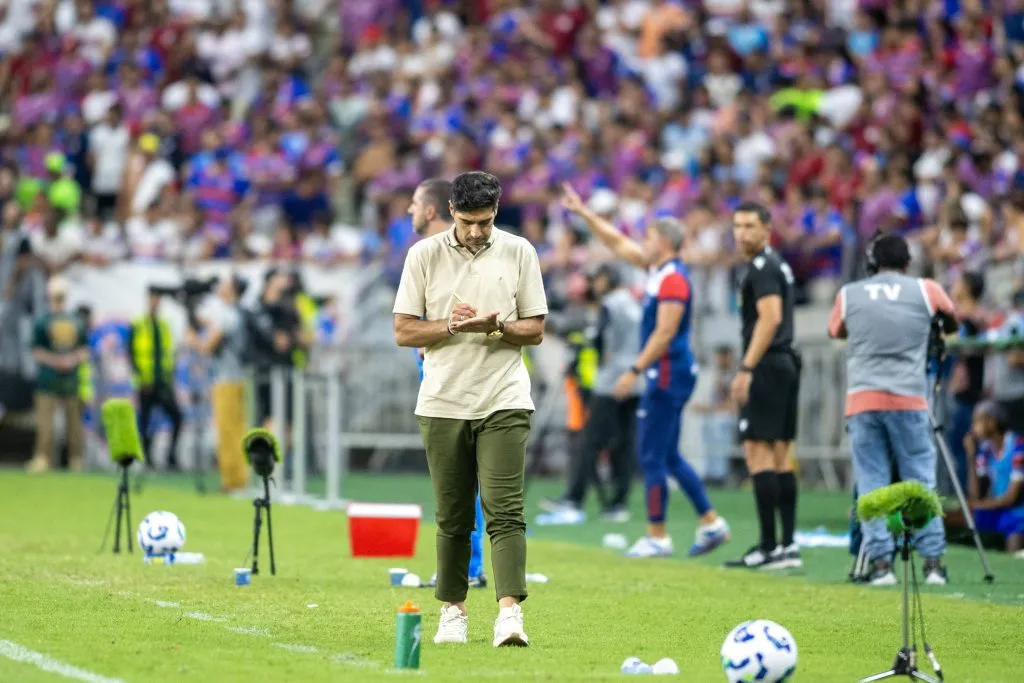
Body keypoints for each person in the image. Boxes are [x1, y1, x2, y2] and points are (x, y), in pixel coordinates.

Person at [393, 171, 547, 647]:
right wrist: (456, 328)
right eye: (468, 221)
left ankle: (509, 616)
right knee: (453, 515)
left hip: (504, 397)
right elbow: (404, 331)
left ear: (496, 210)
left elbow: (536, 328)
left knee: (505, 511)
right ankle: (453, 613)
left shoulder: (520, 251)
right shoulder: (423, 255)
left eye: (485, 221)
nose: (477, 231)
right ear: (451, 212)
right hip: (442, 401)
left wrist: (496, 326)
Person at [560, 183, 730, 558]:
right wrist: (586, 215)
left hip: (668, 372)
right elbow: (619, 244)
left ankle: (658, 535)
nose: (643, 241)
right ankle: (711, 523)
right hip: (667, 371)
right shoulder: (660, 270)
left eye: (649, 236)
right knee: (666, 455)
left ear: (664, 242)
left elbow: (666, 331)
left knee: (651, 455)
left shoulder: (672, 279)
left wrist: (634, 370)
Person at [827, 232, 956, 586]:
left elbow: (835, 330)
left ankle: (881, 565)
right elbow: (952, 319)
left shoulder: (849, 293)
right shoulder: (927, 289)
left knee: (871, 484)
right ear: (907, 262)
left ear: (871, 263)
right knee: (920, 482)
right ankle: (932, 563)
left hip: (864, 398)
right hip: (909, 397)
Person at [410, 177, 488, 589]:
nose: (409, 211)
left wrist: (437, 338)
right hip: (440, 361)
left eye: (414, 204)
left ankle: (468, 567)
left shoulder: (451, 253)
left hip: (454, 368)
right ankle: (467, 565)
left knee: (459, 472)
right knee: (455, 473)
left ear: (429, 211)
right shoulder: (432, 253)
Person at [725, 202, 803, 571]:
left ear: (767, 228)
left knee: (758, 453)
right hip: (784, 362)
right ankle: (787, 545)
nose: (741, 233)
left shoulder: (763, 268)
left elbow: (770, 318)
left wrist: (746, 368)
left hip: (768, 364)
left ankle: (769, 546)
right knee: (780, 456)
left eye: (749, 226)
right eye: (737, 226)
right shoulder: (777, 264)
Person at [541, 262, 642, 521]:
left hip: (610, 382)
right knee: (624, 443)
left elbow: (600, 340)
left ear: (608, 277)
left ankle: (574, 499)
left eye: (596, 279)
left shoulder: (610, 304)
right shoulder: (632, 303)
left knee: (588, 440)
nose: (593, 285)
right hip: (635, 379)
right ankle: (618, 504)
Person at [192, 275, 249, 492]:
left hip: (228, 379)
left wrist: (193, 338)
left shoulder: (227, 315)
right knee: (234, 429)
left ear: (232, 290)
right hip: (236, 378)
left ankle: (232, 479)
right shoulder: (235, 313)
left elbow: (207, 346)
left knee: (228, 431)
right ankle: (237, 478)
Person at [27, 276, 89, 473]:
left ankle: (74, 459)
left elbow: (84, 349)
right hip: (51, 379)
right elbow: (36, 350)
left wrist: (68, 360)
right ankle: (47, 458)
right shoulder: (47, 321)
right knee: (48, 425)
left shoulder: (72, 321)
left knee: (72, 425)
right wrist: (60, 361)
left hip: (65, 380)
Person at [952, 401, 1024, 553]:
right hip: (1001, 510)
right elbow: (976, 494)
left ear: (992, 421)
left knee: (1014, 534)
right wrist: (971, 456)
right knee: (963, 516)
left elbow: (1011, 497)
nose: (973, 428)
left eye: (977, 420)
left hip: (1018, 512)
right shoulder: (986, 450)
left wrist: (977, 505)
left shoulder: (1018, 446)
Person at [130, 286, 183, 470]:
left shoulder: (164, 325)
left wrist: (170, 377)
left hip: (163, 383)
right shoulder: (138, 324)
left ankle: (171, 456)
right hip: (146, 383)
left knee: (177, 418)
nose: (154, 302)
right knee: (145, 421)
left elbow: (170, 354)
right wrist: (141, 377)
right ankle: (148, 458)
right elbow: (131, 354)